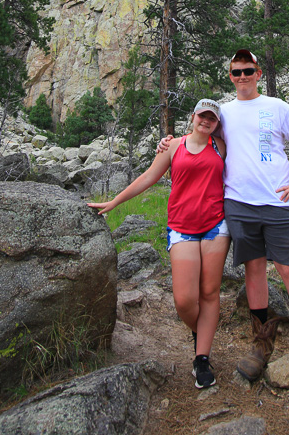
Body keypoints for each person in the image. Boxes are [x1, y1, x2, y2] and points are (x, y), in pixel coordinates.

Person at [159, 50, 289, 398]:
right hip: (239, 205)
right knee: (254, 270)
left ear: (258, 72)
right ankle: (262, 344)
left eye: (248, 71)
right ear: (231, 76)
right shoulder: (224, 112)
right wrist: (170, 142)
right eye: (236, 72)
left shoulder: (278, 106)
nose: (242, 77)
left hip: (279, 202)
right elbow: (200, 134)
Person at [88, 98, 230, 389]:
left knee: (210, 291)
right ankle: (201, 332)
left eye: (211, 118)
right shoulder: (174, 146)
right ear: (193, 117)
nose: (205, 121)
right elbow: (149, 177)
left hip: (217, 225)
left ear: (216, 124)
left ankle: (201, 358)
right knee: (184, 301)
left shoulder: (222, 146)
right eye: (201, 116)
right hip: (182, 227)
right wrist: (115, 201)